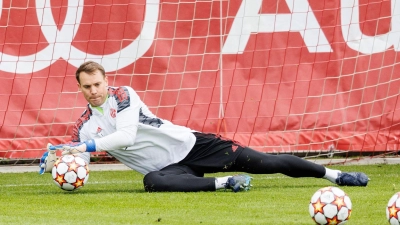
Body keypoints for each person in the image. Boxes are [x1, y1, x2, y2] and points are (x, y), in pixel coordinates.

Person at [39, 61, 369, 192]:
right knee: (152, 182)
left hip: (194, 145)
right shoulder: (83, 127)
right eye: (87, 86)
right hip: (171, 168)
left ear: (106, 81)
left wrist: (81, 148)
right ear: (79, 88)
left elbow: (126, 135)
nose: (94, 90)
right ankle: (226, 183)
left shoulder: (123, 95)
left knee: (267, 162)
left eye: (97, 83)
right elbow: (78, 164)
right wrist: (61, 160)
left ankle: (335, 176)